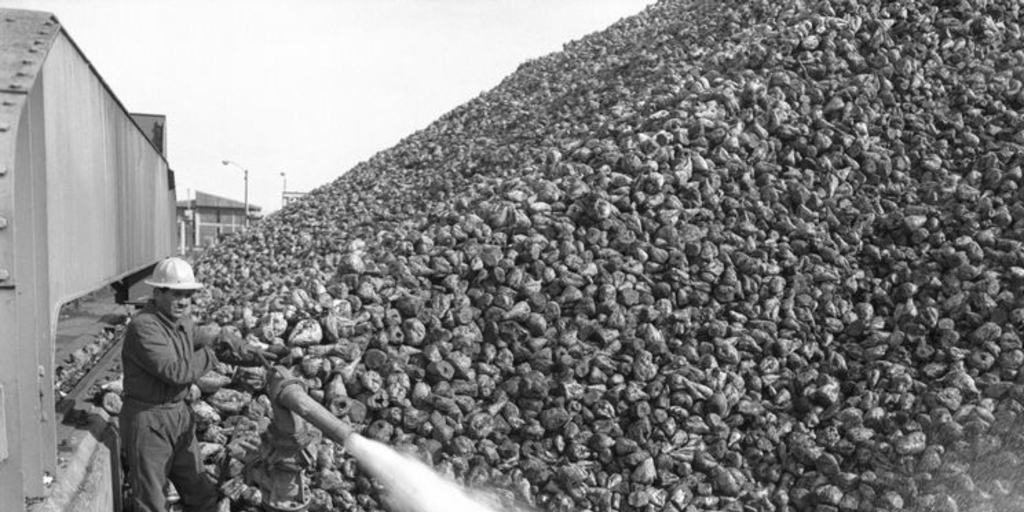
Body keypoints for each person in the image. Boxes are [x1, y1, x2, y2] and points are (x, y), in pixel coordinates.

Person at [120, 256, 263, 512]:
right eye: (176, 294)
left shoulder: (182, 322)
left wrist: (241, 348)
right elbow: (177, 372)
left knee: (200, 491)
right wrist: (215, 353)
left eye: (188, 294)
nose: (183, 301)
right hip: (149, 419)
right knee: (151, 499)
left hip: (179, 415)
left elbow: (205, 336)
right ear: (157, 292)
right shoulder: (144, 327)